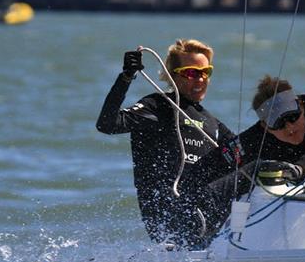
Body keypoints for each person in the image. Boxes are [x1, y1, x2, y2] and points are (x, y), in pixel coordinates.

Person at [180, 76, 305, 229]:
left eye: (293, 117)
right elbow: (206, 170)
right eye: (277, 124)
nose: (289, 128)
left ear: (302, 106)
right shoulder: (255, 139)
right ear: (264, 126)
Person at [96, 39, 236, 248]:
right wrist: (126, 77)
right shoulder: (158, 106)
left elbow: (242, 151)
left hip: (206, 213)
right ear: (173, 75)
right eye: (192, 73)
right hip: (167, 214)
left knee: (255, 167)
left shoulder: (211, 122)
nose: (200, 79)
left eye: (206, 72)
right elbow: (107, 124)